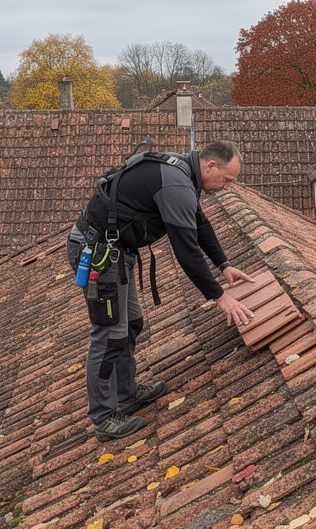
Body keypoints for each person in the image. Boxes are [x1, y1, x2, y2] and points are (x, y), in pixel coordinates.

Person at [68, 141, 255, 442]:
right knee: (109, 335)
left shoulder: (184, 174)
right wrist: (220, 297)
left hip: (118, 251)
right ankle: (103, 418)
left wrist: (224, 264)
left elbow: (199, 224)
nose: (227, 188)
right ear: (210, 167)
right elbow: (186, 250)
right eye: (227, 180)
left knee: (131, 323)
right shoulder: (177, 184)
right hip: (98, 253)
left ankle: (126, 394)